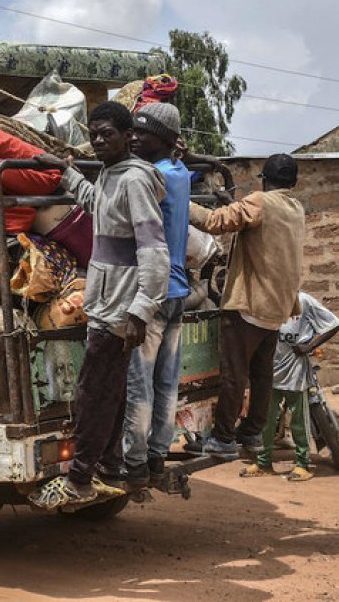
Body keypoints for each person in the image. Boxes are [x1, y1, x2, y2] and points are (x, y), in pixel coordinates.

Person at [30, 101, 170, 507]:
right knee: (111, 390)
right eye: (93, 135)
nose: (98, 141)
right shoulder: (112, 175)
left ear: (129, 137)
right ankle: (109, 464)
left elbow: (154, 250)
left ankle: (78, 478)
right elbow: (96, 205)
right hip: (108, 303)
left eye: (106, 133)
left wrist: (141, 310)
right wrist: (65, 170)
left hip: (121, 309)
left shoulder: (135, 182)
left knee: (94, 392)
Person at [186, 153, 305, 459]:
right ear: (293, 182)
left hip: (249, 303)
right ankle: (251, 433)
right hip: (276, 307)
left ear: (264, 180)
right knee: (262, 375)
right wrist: (232, 201)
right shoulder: (294, 207)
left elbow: (214, 222)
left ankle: (224, 437)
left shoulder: (260, 202)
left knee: (233, 374)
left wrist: (178, 200)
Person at [121, 102, 191, 490]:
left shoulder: (151, 178)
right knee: (167, 379)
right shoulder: (178, 173)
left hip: (154, 292)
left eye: (141, 133)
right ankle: (157, 455)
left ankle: (134, 460)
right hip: (179, 289)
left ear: (162, 139)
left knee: (140, 382)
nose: (134, 138)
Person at [240, 292, 339, 481]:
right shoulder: (265, 300)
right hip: (269, 371)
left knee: (298, 421)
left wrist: (309, 346)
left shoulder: (304, 301)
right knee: (265, 420)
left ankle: (303, 464)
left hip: (295, 372)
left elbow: (333, 324)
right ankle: (263, 462)